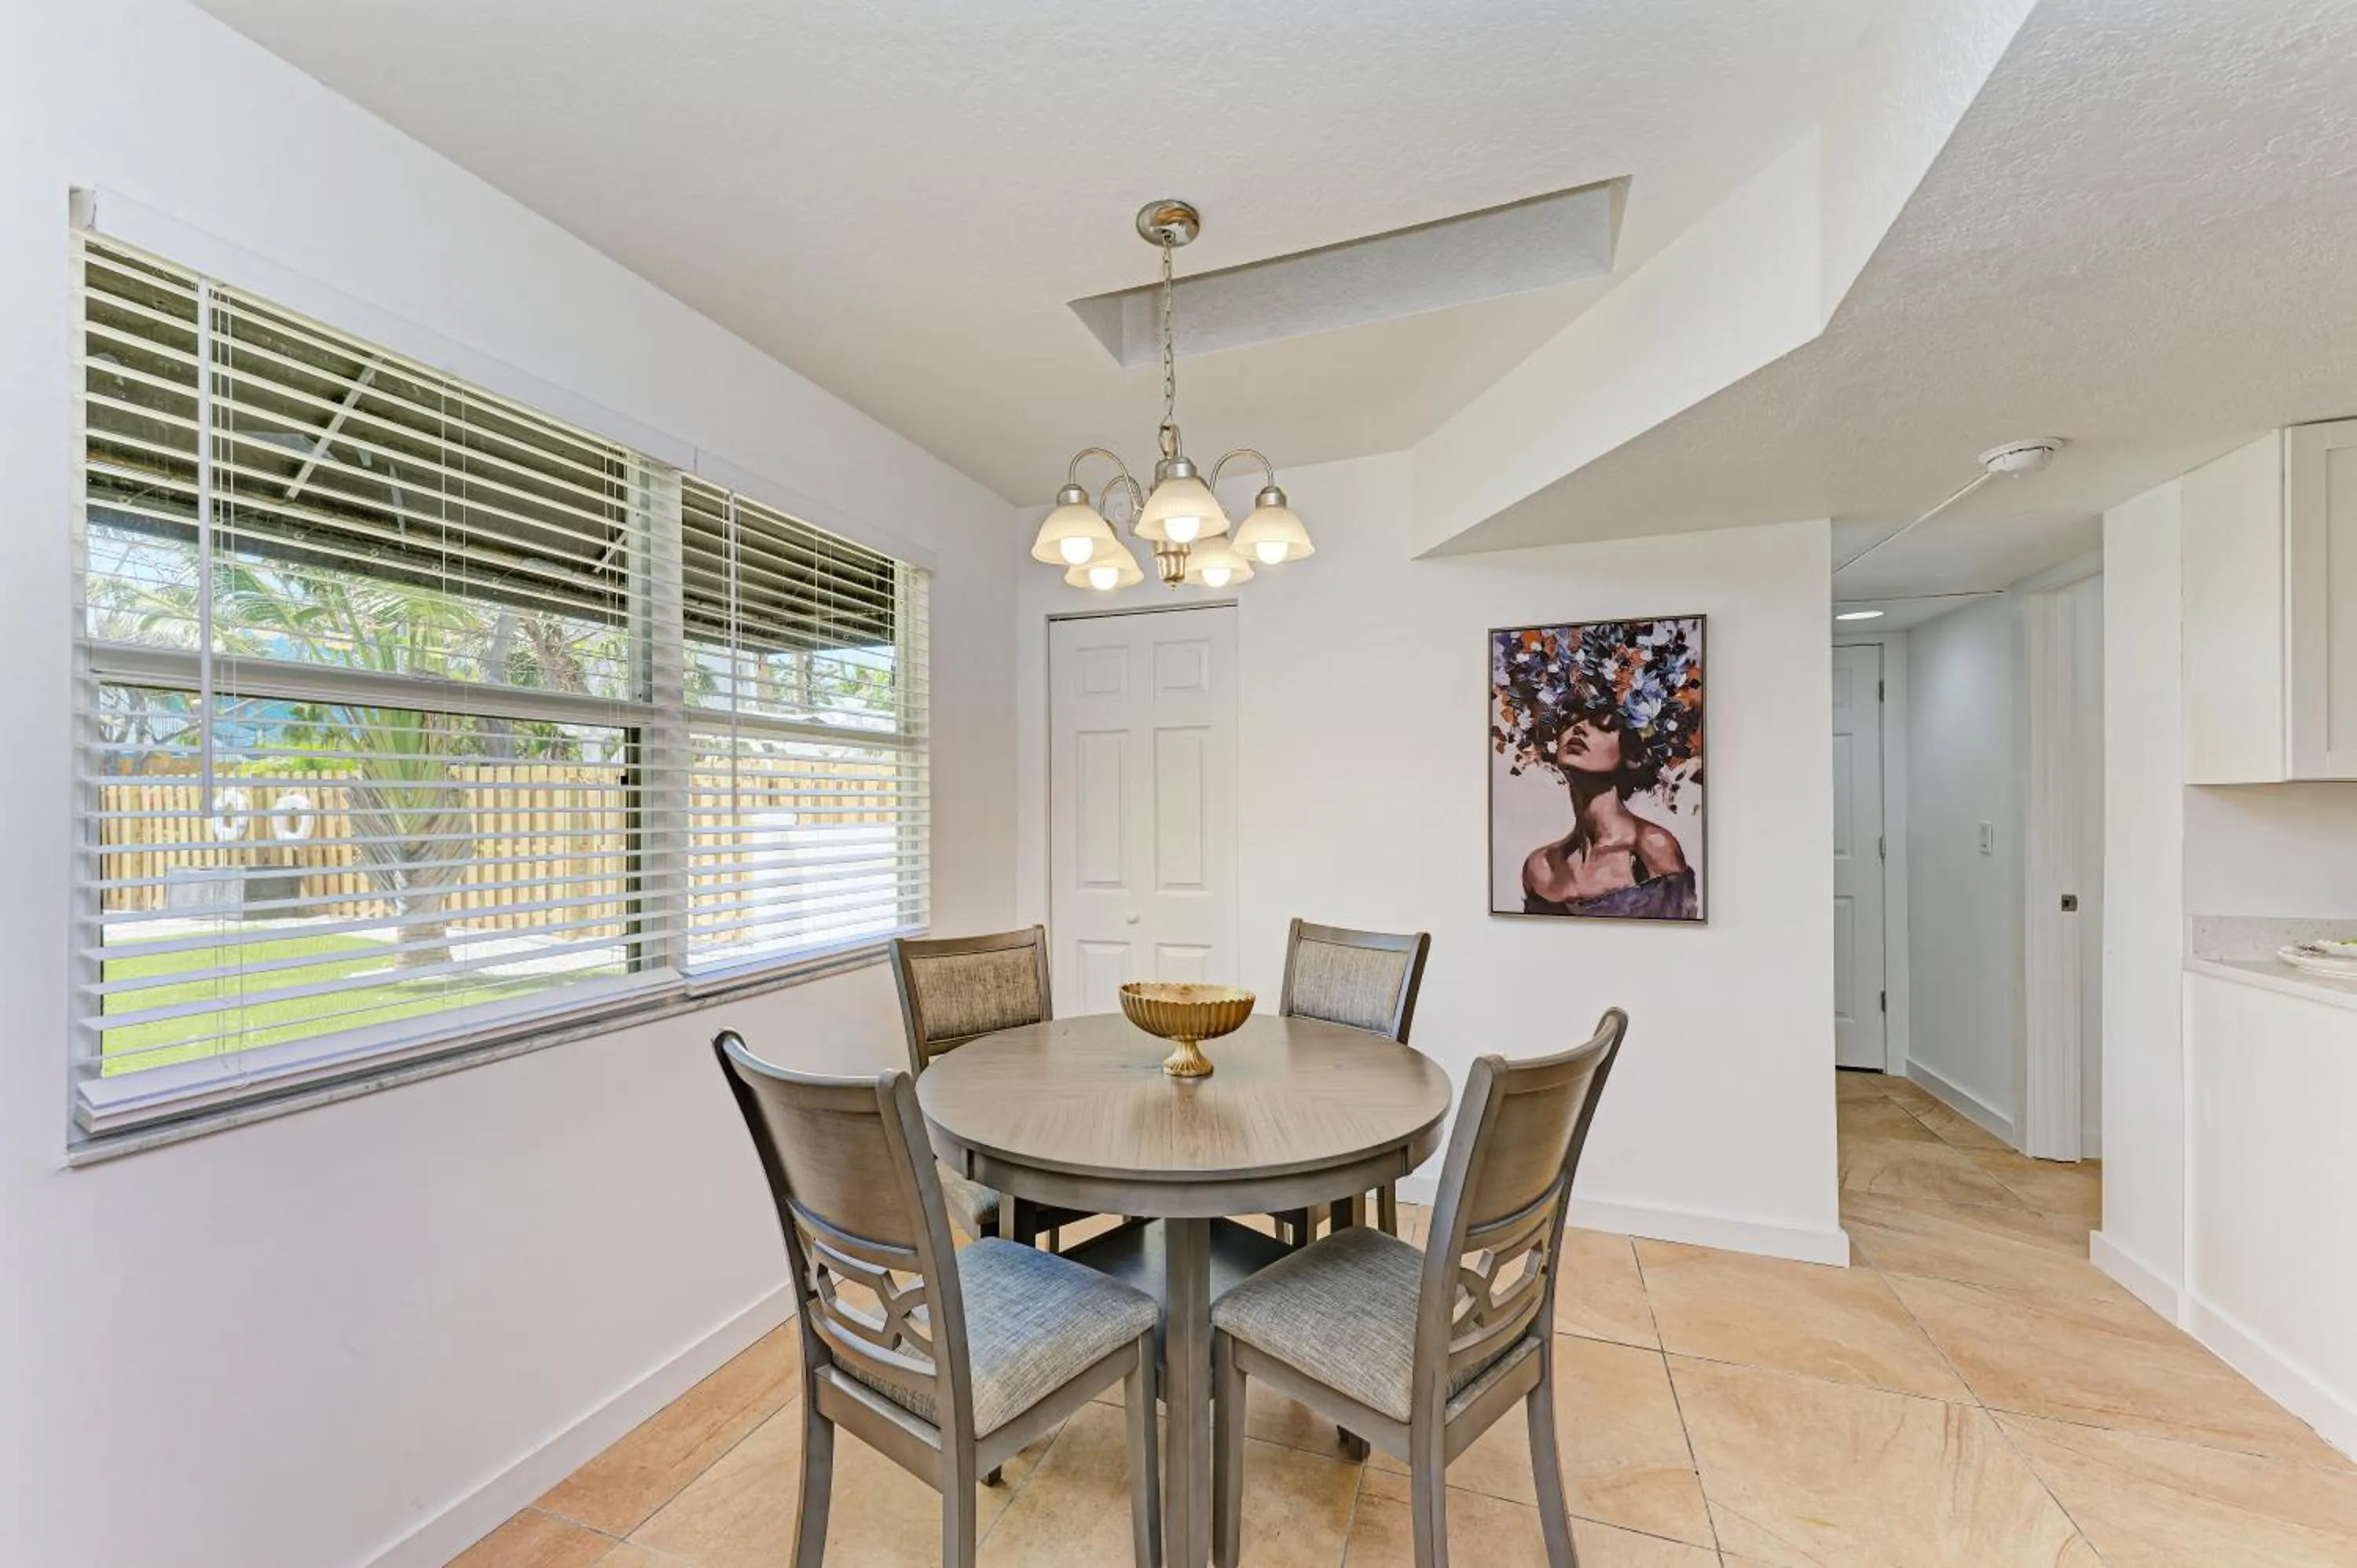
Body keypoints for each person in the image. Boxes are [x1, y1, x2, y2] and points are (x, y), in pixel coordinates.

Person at [1493, 621, 1703, 921]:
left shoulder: (1651, 850)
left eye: (1603, 723)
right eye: (1571, 718)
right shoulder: (1541, 867)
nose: (1579, 730)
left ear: (1632, 750)